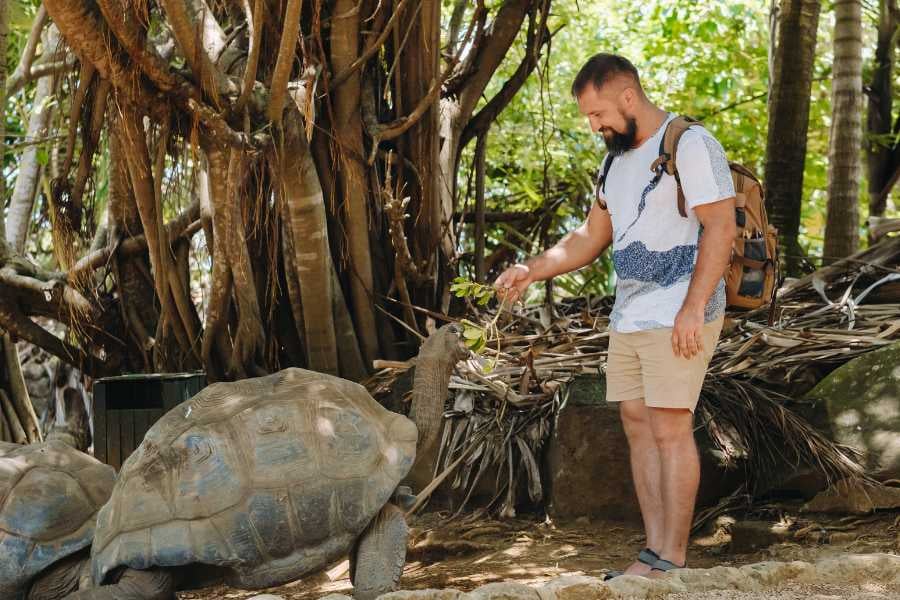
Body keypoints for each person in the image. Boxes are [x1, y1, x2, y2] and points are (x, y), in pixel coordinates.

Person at [493, 54, 736, 578]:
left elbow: (721, 228)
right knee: (636, 423)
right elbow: (589, 237)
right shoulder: (616, 160)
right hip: (630, 314)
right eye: (588, 117)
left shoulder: (690, 143)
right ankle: (652, 553)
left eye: (598, 113)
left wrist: (693, 307)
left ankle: (671, 559)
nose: (595, 125)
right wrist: (530, 270)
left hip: (680, 310)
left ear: (628, 97)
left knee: (671, 426)